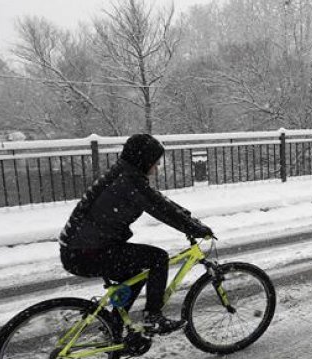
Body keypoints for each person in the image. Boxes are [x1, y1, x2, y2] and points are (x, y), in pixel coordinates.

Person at [59, 133, 213, 335]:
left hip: (78, 249)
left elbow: (159, 201)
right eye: (155, 163)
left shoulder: (124, 174)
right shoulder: (130, 182)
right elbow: (161, 209)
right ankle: (153, 317)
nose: (156, 168)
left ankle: (113, 324)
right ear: (144, 160)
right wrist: (195, 229)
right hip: (87, 252)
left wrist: (189, 219)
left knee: (136, 274)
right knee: (157, 258)